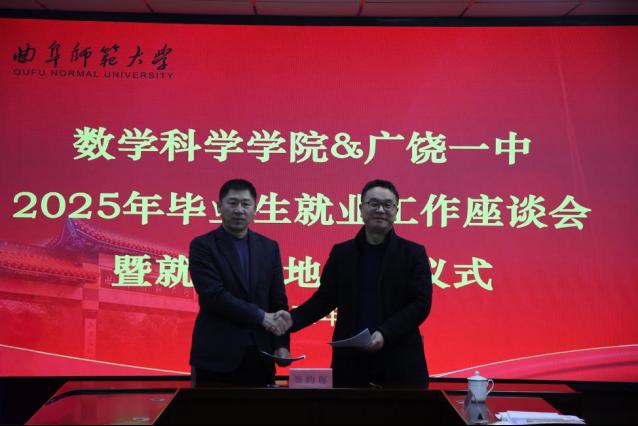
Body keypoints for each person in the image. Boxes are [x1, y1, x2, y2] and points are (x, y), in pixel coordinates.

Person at [277, 179, 432, 388]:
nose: (380, 210)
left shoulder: (413, 254)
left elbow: (420, 304)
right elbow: (324, 300)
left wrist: (385, 333)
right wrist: (293, 319)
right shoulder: (342, 253)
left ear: (396, 211)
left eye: (388, 205)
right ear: (361, 209)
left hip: (399, 362)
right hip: (351, 363)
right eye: (373, 203)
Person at [189, 179, 291, 387]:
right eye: (232, 203)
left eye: (245, 204)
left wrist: (281, 345)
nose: (239, 210)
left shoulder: (269, 247)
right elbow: (213, 296)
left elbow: (278, 300)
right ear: (219, 207)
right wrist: (260, 316)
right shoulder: (203, 245)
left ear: (255, 209)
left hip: (260, 356)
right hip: (216, 358)